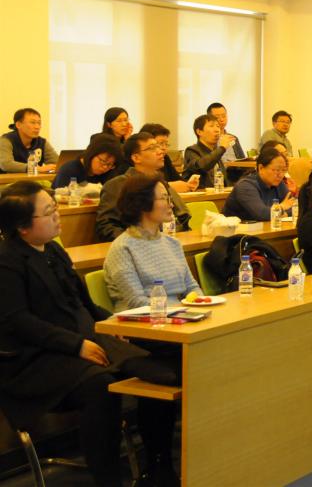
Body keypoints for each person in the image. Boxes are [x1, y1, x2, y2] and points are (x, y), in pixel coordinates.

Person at [0, 181, 177, 486]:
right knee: (101, 386)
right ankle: (107, 479)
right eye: (48, 212)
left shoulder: (53, 250)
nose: (57, 216)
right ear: (23, 227)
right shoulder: (7, 262)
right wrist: (76, 345)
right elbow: (19, 322)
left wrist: (114, 325)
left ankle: (158, 464)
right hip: (35, 360)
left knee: (160, 366)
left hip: (83, 342)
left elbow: (83, 303)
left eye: (55, 208)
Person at [104, 173, 203, 311]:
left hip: (179, 314)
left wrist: (199, 305)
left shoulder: (173, 243)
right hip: (143, 318)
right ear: (142, 203)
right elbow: (136, 301)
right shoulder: (122, 248)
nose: (171, 204)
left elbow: (192, 287)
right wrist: (179, 312)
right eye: (164, 198)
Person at [95, 132, 191, 242]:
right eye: (152, 148)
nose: (160, 151)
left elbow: (180, 218)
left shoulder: (160, 184)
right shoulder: (117, 185)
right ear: (136, 158)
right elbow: (106, 227)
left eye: (158, 146)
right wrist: (137, 241)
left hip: (166, 241)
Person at [223, 148, 295, 221]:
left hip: (265, 226)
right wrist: (282, 207)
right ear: (261, 168)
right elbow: (261, 214)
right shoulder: (245, 186)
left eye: (283, 170)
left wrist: (280, 213)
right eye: (276, 170)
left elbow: (294, 207)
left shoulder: (278, 183)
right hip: (237, 227)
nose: (281, 175)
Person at [139, 122, 197, 194]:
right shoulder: (137, 166)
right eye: (160, 144)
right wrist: (168, 186)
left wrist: (188, 185)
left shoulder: (165, 158)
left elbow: (177, 180)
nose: (164, 148)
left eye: (166, 144)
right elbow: (144, 189)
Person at [183, 113, 235, 189]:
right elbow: (201, 166)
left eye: (218, 126)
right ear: (199, 132)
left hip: (219, 193)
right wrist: (222, 148)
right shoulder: (191, 150)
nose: (217, 130)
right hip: (200, 194)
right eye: (211, 126)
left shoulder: (216, 151)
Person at [0, 108, 58, 174]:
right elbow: (6, 164)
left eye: (39, 123)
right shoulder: (6, 140)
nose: (37, 127)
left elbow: (57, 163)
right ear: (18, 125)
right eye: (32, 122)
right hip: (6, 179)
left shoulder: (42, 142)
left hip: (32, 179)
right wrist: (35, 168)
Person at [52, 136, 121, 189]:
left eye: (110, 164)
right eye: (103, 161)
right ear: (92, 154)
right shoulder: (69, 170)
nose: (105, 167)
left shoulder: (109, 173)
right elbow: (60, 197)